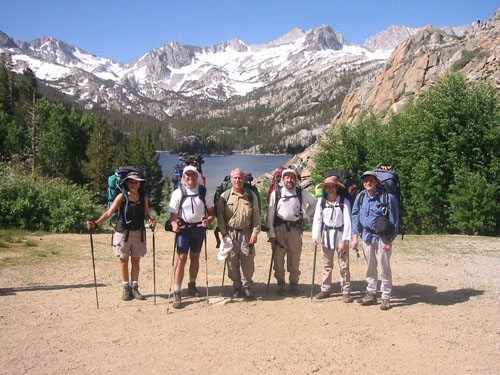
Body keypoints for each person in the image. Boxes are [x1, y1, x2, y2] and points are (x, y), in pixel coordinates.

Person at [86, 171, 156, 301]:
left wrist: (150, 221)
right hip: (122, 232)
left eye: (136, 182)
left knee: (136, 260)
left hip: (138, 232)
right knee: (123, 260)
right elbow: (109, 213)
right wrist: (96, 223)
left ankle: (134, 287)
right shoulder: (121, 197)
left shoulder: (143, 197)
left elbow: (146, 215)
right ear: (126, 183)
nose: (134, 184)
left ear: (140, 183)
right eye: (131, 182)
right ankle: (126, 288)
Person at [351, 171, 399, 311]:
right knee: (370, 266)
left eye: (371, 180)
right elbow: (355, 215)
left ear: (377, 182)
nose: (368, 183)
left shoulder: (387, 198)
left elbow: (394, 220)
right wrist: (355, 235)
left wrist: (390, 240)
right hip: (366, 236)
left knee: (384, 267)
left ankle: (386, 296)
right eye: (365, 180)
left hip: (382, 237)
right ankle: (371, 293)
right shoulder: (360, 197)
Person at [168, 166, 215, 309]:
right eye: (187, 174)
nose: (190, 177)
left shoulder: (204, 192)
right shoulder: (178, 193)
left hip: (198, 229)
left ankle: (192, 284)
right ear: (183, 177)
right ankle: (177, 291)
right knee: (181, 259)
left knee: (195, 256)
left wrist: (208, 220)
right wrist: (174, 224)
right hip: (183, 230)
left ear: (197, 176)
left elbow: (211, 213)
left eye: (193, 174)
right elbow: (173, 216)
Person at [267, 168, 316, 295]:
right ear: (283, 179)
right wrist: (271, 233)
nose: (290, 180)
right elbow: (270, 213)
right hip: (279, 228)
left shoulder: (301, 192)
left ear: (296, 179)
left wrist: (306, 215)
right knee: (278, 257)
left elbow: (314, 203)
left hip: (295, 228)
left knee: (295, 256)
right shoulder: (276, 192)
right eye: (287, 177)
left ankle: (294, 284)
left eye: (292, 177)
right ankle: (281, 284)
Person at [216, 168, 261, 299]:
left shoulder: (251, 195)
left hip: (247, 232)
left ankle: (247, 286)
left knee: (247, 261)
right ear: (231, 179)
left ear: (243, 179)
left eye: (240, 178)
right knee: (232, 261)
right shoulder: (224, 196)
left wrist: (255, 233)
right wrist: (224, 234)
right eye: (235, 178)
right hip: (230, 233)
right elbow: (221, 217)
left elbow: (256, 216)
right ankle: (236, 287)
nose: (237, 180)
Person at [311, 175, 353, 303]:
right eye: (327, 187)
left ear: (336, 187)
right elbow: (317, 220)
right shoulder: (321, 202)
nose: (330, 189)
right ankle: (325, 289)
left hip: (340, 236)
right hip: (326, 236)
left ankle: (346, 291)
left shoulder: (343, 202)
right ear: (325, 189)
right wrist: (315, 236)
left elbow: (348, 222)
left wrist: (345, 240)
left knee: (343, 265)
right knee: (326, 265)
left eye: (332, 186)